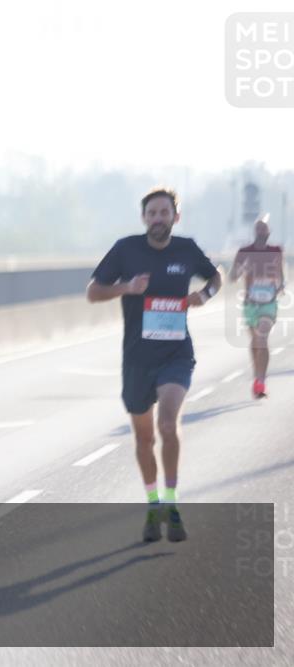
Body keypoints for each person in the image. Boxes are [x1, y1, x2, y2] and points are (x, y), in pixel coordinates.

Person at [87, 187, 222, 542]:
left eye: (165, 213)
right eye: (152, 213)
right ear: (144, 218)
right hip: (137, 359)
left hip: (176, 354)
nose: (158, 219)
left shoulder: (187, 249)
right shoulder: (125, 249)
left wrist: (203, 296)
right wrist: (126, 288)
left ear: (176, 217)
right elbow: (93, 292)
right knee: (143, 438)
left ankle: (173, 503)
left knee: (167, 424)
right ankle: (153, 503)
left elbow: (216, 276)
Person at [229, 215, 285, 398]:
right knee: (255, 343)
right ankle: (257, 377)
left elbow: (280, 275)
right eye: (258, 228)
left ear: (269, 231)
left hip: (268, 303)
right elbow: (232, 277)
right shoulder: (244, 251)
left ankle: (261, 381)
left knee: (262, 338)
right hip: (250, 304)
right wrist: (241, 270)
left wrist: (280, 286)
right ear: (255, 231)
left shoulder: (276, 250)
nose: (261, 231)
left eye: (264, 228)